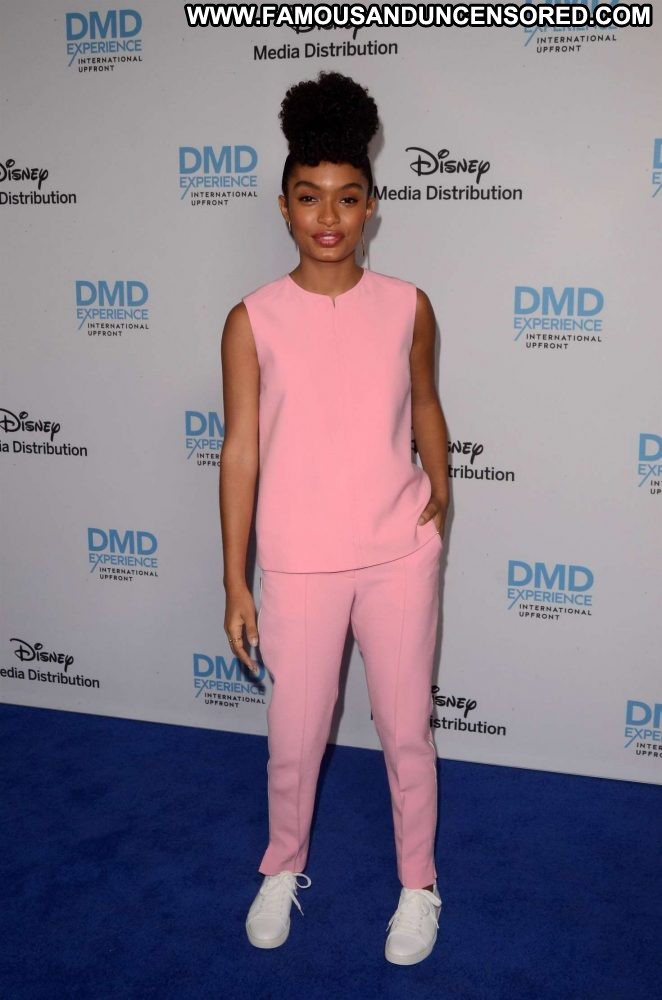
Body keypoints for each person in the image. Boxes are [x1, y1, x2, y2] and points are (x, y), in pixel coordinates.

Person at [219, 70, 450, 966]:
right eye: (310, 196)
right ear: (283, 206)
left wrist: (441, 485)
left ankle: (419, 885)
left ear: (371, 207)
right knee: (294, 738)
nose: (329, 215)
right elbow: (241, 452)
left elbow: (424, 400)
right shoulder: (252, 320)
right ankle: (282, 867)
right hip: (299, 561)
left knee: (406, 732)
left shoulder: (408, 305)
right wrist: (234, 578)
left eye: (348, 197)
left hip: (398, 553)